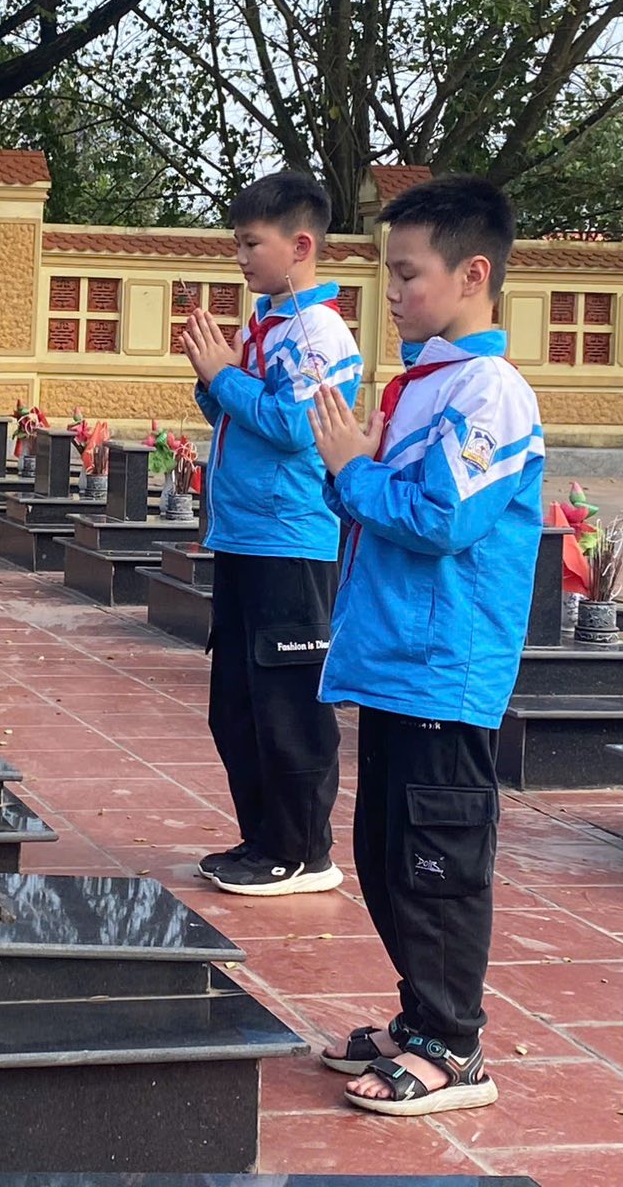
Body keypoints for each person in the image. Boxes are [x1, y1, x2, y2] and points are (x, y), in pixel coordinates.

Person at [306, 173, 543, 1116]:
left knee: (438, 866)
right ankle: (421, 1019)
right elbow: (377, 505)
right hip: (399, 665)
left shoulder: (491, 393)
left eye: (408, 274)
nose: (393, 293)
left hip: (446, 670)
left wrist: (353, 473)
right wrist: (352, 473)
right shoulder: (429, 385)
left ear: (473, 274)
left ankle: (455, 1047)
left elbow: (441, 518)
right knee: (387, 855)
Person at [179, 171, 361, 896]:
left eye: (252, 243)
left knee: (288, 708)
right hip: (247, 538)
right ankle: (264, 841)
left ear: (301, 246)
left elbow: (294, 426)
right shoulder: (270, 325)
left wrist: (225, 377)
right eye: (238, 243)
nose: (241, 257)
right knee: (238, 706)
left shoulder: (318, 334)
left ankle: (303, 851)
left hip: (291, 542)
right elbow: (240, 414)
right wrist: (213, 379)